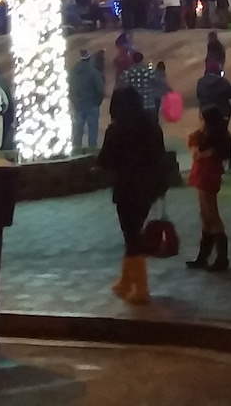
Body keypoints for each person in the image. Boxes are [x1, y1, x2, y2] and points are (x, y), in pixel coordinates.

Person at [98, 85, 167, 304]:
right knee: (134, 231)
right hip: (148, 188)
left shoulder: (116, 130)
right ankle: (126, 281)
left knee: (131, 235)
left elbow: (105, 160)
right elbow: (160, 156)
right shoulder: (151, 126)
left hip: (126, 188)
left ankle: (140, 287)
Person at [185, 104, 231, 272]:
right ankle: (205, 256)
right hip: (206, 176)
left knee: (211, 214)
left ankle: (220, 258)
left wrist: (193, 142)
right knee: (206, 215)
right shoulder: (215, 136)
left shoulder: (210, 138)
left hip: (206, 177)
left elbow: (196, 153)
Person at [70, 48, 107, 152]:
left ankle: (76, 150)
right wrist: (98, 101)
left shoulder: (73, 71)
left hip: (78, 105)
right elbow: (100, 89)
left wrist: (74, 100)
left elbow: (70, 87)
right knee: (93, 131)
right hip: (92, 104)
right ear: (90, 59)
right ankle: (92, 153)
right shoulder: (93, 72)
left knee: (78, 130)